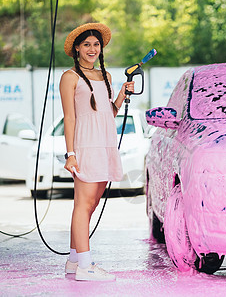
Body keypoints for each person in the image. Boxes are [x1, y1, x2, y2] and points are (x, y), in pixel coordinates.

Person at [59, 22, 134, 281]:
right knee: (83, 205)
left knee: (89, 206)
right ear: (77, 48)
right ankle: (86, 266)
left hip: (105, 144)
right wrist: (70, 154)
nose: (92, 49)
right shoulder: (70, 77)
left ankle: (73, 261)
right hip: (85, 146)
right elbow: (70, 118)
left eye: (96, 44)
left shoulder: (107, 77)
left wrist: (122, 94)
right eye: (87, 44)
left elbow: (107, 114)